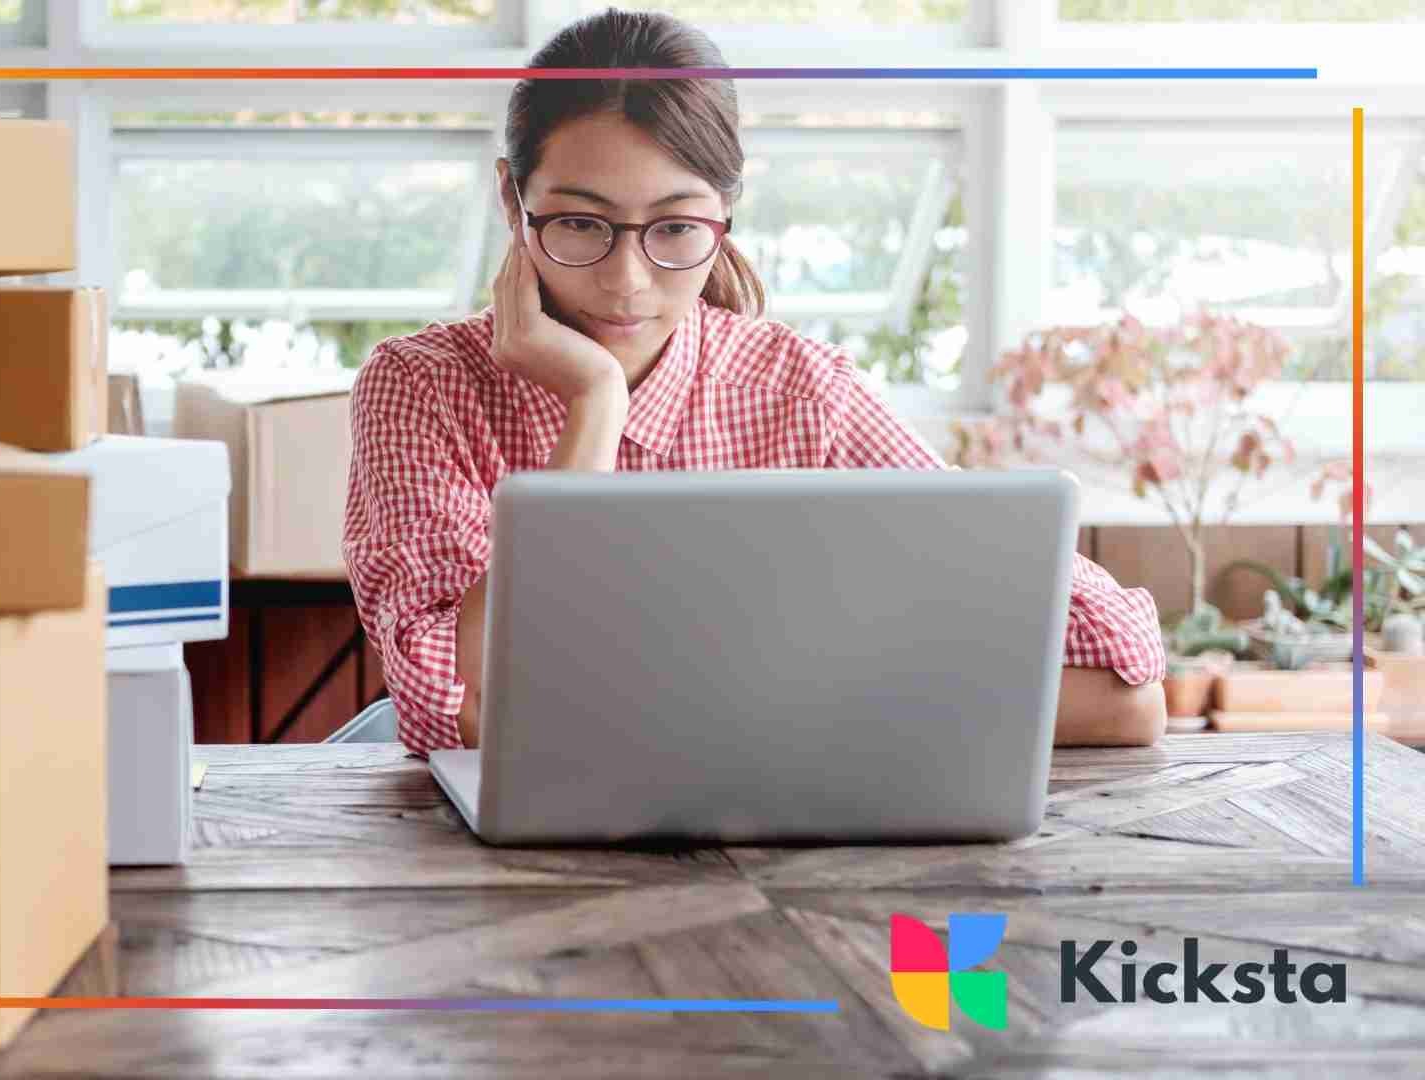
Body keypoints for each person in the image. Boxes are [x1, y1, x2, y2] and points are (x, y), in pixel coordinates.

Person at [340, 7, 1168, 759]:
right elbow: (462, 703)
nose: (627, 280)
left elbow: (1126, 690)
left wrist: (743, 710)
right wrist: (594, 404)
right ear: (511, 198)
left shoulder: (805, 395)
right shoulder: (421, 387)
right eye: (581, 223)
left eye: (675, 227)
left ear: (726, 212)